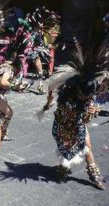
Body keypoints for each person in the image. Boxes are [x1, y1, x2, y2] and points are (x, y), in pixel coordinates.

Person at [47, 40, 108, 190]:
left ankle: (95, 176)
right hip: (62, 125)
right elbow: (52, 103)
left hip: (78, 124)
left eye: (88, 96)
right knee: (65, 150)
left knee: (87, 147)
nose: (85, 98)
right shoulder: (66, 94)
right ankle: (63, 170)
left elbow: (86, 120)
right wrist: (48, 102)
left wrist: (90, 113)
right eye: (83, 95)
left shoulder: (89, 97)